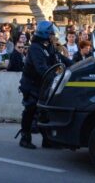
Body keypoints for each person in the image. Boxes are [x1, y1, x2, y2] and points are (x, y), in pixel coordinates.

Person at [18, 21, 72, 149]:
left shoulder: (48, 46)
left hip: (42, 85)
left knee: (45, 112)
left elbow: (58, 58)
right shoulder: (35, 48)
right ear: (46, 34)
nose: (54, 36)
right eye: (52, 34)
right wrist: (56, 77)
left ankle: (47, 140)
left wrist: (75, 64)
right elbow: (41, 69)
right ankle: (25, 138)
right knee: (30, 110)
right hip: (31, 85)